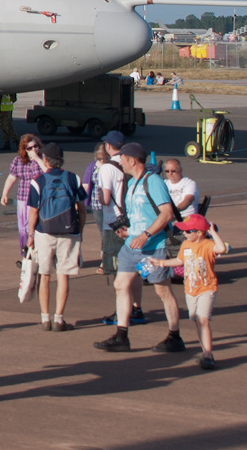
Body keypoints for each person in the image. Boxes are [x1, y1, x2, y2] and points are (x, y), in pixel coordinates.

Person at [94, 143, 183, 353]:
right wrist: (128, 230)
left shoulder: (152, 182)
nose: (120, 163)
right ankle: (121, 336)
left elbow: (166, 213)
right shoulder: (132, 182)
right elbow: (138, 215)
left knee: (162, 290)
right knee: (120, 284)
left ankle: (174, 336)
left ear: (132, 160)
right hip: (131, 245)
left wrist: (146, 235)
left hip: (153, 247)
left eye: (122, 159)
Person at [142, 214, 227, 370]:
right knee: (196, 320)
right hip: (190, 289)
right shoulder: (186, 245)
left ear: (200, 232)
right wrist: (160, 263)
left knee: (203, 320)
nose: (184, 234)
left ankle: (208, 355)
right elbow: (180, 261)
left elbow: (221, 248)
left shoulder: (208, 245)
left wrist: (213, 231)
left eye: (188, 231)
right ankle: (205, 351)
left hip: (207, 288)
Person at [26, 142, 84, 331]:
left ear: (45, 160)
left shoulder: (38, 181)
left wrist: (30, 235)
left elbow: (33, 211)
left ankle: (45, 318)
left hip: (44, 231)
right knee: (63, 275)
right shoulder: (73, 178)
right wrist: (79, 230)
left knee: (44, 275)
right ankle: (59, 319)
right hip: (69, 231)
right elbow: (82, 209)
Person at [96, 132, 146, 325]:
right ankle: (136, 307)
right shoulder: (128, 165)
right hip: (132, 220)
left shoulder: (106, 168)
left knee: (119, 271)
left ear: (108, 146)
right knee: (133, 269)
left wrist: (98, 196)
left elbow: (105, 199)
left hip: (114, 223)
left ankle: (121, 311)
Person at [0, 134, 44, 256]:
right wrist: (5, 193)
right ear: (24, 150)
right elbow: (11, 177)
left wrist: (38, 159)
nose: (34, 150)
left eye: (35, 146)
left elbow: (48, 172)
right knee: (23, 227)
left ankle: (37, 253)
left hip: (40, 198)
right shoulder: (18, 160)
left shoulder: (43, 159)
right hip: (23, 198)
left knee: (36, 226)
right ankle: (25, 254)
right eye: (29, 148)